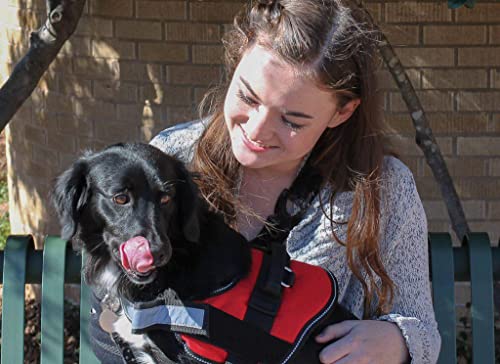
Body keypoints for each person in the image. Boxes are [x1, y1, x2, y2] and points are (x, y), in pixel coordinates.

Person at [89, 0, 441, 363]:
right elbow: (116, 300)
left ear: (343, 111)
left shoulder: (383, 187)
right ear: (239, 54)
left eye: (292, 121)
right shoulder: (169, 159)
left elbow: (424, 335)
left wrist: (396, 340)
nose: (257, 131)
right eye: (248, 96)